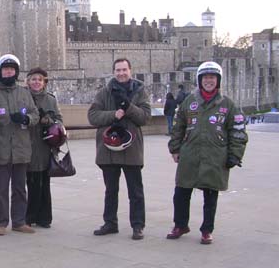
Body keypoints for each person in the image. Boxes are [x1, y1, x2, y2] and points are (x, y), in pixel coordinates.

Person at [167, 61, 248, 245]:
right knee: (181, 192)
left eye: (212, 77)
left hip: (214, 156)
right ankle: (180, 225)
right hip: (190, 155)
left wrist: (235, 155)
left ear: (218, 80)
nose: (208, 81)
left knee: (210, 196)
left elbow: (238, 131)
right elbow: (179, 125)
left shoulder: (228, 104)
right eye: (205, 77)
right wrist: (175, 147)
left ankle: (206, 230)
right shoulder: (189, 101)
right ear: (200, 80)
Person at [87, 58, 151, 240]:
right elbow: (93, 116)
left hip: (132, 149)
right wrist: (113, 114)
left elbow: (145, 118)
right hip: (109, 149)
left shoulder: (140, 92)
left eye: (124, 70)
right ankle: (110, 223)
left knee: (136, 191)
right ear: (113, 72)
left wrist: (129, 108)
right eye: (118, 70)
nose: (121, 73)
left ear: (130, 71)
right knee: (111, 190)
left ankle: (138, 226)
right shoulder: (104, 93)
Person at [0, 54, 39, 235]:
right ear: (0, 72)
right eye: (6, 69)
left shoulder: (24, 93)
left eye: (12, 69)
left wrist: (26, 118)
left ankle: (19, 221)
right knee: (1, 189)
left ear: (16, 72)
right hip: (0, 149)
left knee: (19, 188)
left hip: (20, 149)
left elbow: (35, 115)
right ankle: (1, 222)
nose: (9, 72)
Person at [25, 67, 63, 228]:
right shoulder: (23, 97)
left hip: (45, 145)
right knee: (30, 182)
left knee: (44, 183)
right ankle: (29, 216)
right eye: (33, 79)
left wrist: (49, 121)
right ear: (28, 82)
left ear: (44, 82)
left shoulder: (50, 99)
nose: (36, 82)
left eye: (40, 79)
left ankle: (44, 217)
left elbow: (59, 120)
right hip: (26, 143)